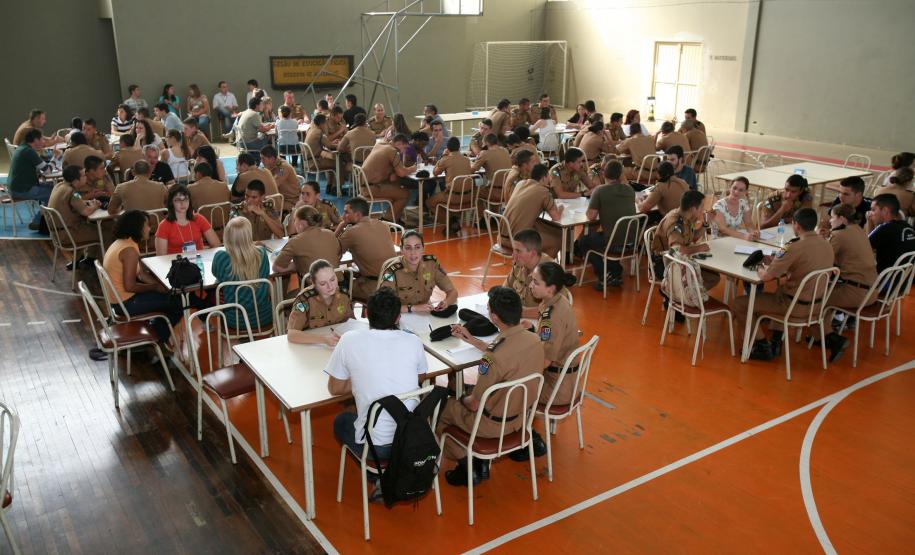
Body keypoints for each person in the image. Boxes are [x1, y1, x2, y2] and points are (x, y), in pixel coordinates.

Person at [326, 287, 428, 498]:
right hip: (412, 439)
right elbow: (420, 378)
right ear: (398, 318)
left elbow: (334, 388)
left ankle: (380, 477)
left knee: (342, 420)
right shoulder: (414, 341)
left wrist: (361, 376)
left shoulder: (349, 340)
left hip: (378, 447)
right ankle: (396, 472)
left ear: (366, 315)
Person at [438, 286, 545, 486]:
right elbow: (508, 354)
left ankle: (467, 465)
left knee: (440, 409)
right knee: (466, 392)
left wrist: (459, 398)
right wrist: (471, 340)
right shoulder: (534, 340)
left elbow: (474, 405)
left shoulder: (492, 357)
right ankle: (480, 462)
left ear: (494, 317)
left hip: (492, 426)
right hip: (520, 418)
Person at [734, 208, 834, 361]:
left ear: (796, 225)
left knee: (739, 304)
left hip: (794, 306)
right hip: (817, 304)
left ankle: (761, 346)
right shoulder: (827, 244)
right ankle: (775, 340)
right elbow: (803, 265)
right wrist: (778, 262)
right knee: (778, 291)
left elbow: (767, 277)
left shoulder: (794, 247)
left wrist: (760, 266)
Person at [104, 209, 183, 343]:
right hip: (125, 304)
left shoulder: (122, 243)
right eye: (146, 225)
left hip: (117, 301)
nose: (149, 228)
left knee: (169, 296)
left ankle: (154, 329)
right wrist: (155, 287)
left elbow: (140, 273)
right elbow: (129, 286)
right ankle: (157, 339)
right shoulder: (129, 250)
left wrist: (160, 286)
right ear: (137, 227)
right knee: (178, 302)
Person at [815, 203, 878, 360]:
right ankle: (821, 335)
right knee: (828, 294)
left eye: (832, 218)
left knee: (815, 301)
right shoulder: (858, 229)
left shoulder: (839, 236)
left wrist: (817, 236)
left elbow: (822, 258)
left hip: (856, 292)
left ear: (842, 219)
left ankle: (833, 339)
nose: (830, 221)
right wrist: (829, 234)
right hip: (872, 290)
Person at [573, 161, 637, 289]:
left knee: (584, 241)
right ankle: (615, 272)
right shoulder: (629, 190)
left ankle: (604, 275)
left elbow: (590, 216)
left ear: (603, 174)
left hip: (613, 243)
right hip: (632, 242)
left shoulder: (600, 191)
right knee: (609, 234)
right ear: (621, 175)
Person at [530, 261, 579, 408]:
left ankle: (519, 427)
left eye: (535, 282)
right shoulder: (559, 300)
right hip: (565, 380)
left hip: (555, 388)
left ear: (550, 288)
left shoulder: (552, 316)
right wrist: (533, 330)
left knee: (508, 386)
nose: (530, 285)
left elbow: (545, 361)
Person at [650, 190, 720, 291]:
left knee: (714, 276)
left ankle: (686, 297)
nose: (703, 209)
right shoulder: (675, 223)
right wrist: (699, 248)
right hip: (665, 265)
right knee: (711, 277)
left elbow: (694, 237)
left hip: (679, 260)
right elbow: (677, 250)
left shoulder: (687, 216)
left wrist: (706, 223)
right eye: (701, 207)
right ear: (693, 209)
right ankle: (681, 297)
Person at [212, 217, 274, 329]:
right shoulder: (262, 254)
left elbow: (216, 274)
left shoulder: (221, 257)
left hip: (235, 320)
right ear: (249, 235)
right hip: (264, 317)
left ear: (227, 235)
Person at [380, 230, 457, 312]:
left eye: (417, 247)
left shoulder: (431, 264)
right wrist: (412, 308)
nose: (413, 253)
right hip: (399, 315)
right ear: (401, 249)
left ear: (423, 248)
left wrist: (446, 302)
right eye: (408, 248)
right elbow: (383, 306)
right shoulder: (392, 270)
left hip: (424, 314)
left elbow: (453, 291)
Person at [337, 197, 398, 299]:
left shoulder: (352, 232)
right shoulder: (382, 224)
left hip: (376, 289)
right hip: (396, 283)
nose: (343, 216)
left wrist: (340, 226)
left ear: (357, 215)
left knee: (336, 286)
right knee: (351, 273)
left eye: (346, 212)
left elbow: (331, 251)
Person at [286, 259, 354, 344]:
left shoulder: (343, 294)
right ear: (313, 283)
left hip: (337, 344)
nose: (330, 286)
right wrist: (324, 339)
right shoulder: (304, 299)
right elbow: (292, 335)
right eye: (323, 283)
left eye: (332, 279)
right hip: (310, 346)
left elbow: (351, 322)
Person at [503, 164, 564, 257]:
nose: (550, 179)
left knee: (549, 229)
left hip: (502, 236)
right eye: (548, 176)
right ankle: (541, 269)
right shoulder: (543, 192)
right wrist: (561, 209)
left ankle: (535, 264)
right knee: (557, 241)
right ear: (544, 178)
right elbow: (556, 217)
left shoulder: (520, 184)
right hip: (517, 240)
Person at [47, 166, 103, 262]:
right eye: (84, 175)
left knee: (89, 226)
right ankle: (101, 266)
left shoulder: (59, 186)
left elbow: (74, 202)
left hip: (57, 233)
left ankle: (84, 260)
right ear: (76, 180)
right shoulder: (72, 192)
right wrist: (95, 206)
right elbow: (86, 212)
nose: (86, 177)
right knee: (105, 233)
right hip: (68, 234)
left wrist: (86, 202)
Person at [273, 206, 342, 277]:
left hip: (316, 286)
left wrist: (296, 265)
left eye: (294, 220)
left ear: (301, 224)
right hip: (339, 283)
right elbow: (339, 255)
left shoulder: (296, 240)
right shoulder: (330, 233)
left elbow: (277, 267)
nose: (294, 223)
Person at [9, 129, 56, 229]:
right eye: (42, 139)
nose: (43, 142)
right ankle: (37, 221)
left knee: (53, 187)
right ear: (35, 140)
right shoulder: (29, 152)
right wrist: (55, 157)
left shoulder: (23, 148)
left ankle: (44, 217)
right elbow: (47, 170)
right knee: (54, 194)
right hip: (22, 190)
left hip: (16, 187)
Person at [153, 185, 221, 255]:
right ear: (171, 203)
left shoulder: (199, 219)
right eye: (178, 200)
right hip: (176, 263)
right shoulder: (164, 225)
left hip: (198, 261)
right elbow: (161, 257)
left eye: (185, 199)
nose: (183, 203)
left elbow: (216, 244)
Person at [359, 133, 412, 222]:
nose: (404, 151)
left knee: (397, 188)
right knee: (405, 194)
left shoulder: (380, 144)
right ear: (399, 144)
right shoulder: (392, 151)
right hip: (371, 189)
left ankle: (396, 218)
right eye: (405, 148)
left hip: (365, 186)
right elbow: (402, 173)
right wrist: (412, 169)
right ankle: (388, 220)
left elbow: (392, 177)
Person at [505, 229, 554, 318]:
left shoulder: (551, 272)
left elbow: (551, 310)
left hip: (543, 325)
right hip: (521, 320)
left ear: (532, 253)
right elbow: (505, 289)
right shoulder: (519, 265)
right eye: (513, 250)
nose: (513, 256)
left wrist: (517, 312)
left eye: (518, 251)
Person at [429, 137, 474, 233]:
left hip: (453, 197)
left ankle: (450, 222)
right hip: (468, 196)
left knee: (429, 202)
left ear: (447, 148)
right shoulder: (466, 160)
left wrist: (442, 157)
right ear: (459, 148)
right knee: (446, 199)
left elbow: (435, 173)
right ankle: (454, 220)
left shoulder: (446, 159)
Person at [867, 193, 915, 272]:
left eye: (873, 209)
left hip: (884, 279)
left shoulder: (884, 228)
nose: (871, 213)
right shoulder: (908, 227)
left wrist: (869, 222)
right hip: (905, 279)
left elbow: (864, 248)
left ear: (885, 211)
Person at [711, 176, 759, 241]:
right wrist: (744, 236)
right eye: (734, 188)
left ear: (745, 192)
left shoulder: (743, 204)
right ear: (730, 187)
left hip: (736, 239)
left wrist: (754, 232)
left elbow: (749, 223)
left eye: (741, 190)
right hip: (719, 241)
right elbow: (723, 229)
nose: (736, 192)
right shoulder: (719, 206)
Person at [472, 134, 513, 209]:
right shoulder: (505, 150)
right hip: (507, 191)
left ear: (486, 143)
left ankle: (480, 217)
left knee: (474, 187)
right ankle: (492, 214)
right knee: (481, 181)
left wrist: (470, 163)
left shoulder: (484, 153)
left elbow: (471, 170)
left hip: (493, 192)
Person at [260, 145, 299, 213]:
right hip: (280, 198)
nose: (261, 161)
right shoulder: (272, 165)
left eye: (263, 159)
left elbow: (273, 184)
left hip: (291, 201)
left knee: (262, 205)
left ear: (272, 159)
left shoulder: (283, 168)